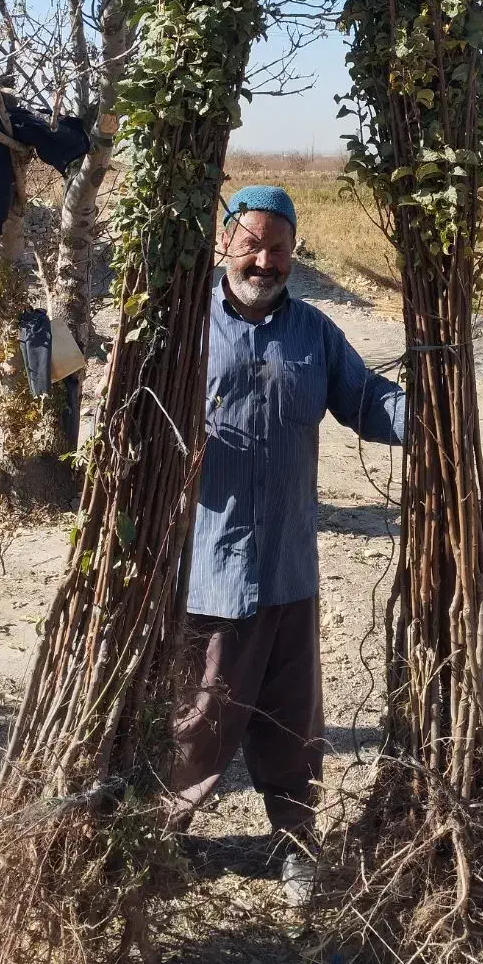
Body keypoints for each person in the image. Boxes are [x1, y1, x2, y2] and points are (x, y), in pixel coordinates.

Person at [171, 184, 405, 903]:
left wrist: (430, 407)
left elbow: (367, 401)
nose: (264, 261)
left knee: (293, 719)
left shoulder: (313, 333)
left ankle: (295, 843)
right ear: (225, 243)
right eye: (251, 244)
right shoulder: (185, 329)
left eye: (278, 249)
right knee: (201, 714)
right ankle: (160, 834)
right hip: (208, 562)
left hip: (288, 562)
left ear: (293, 253)